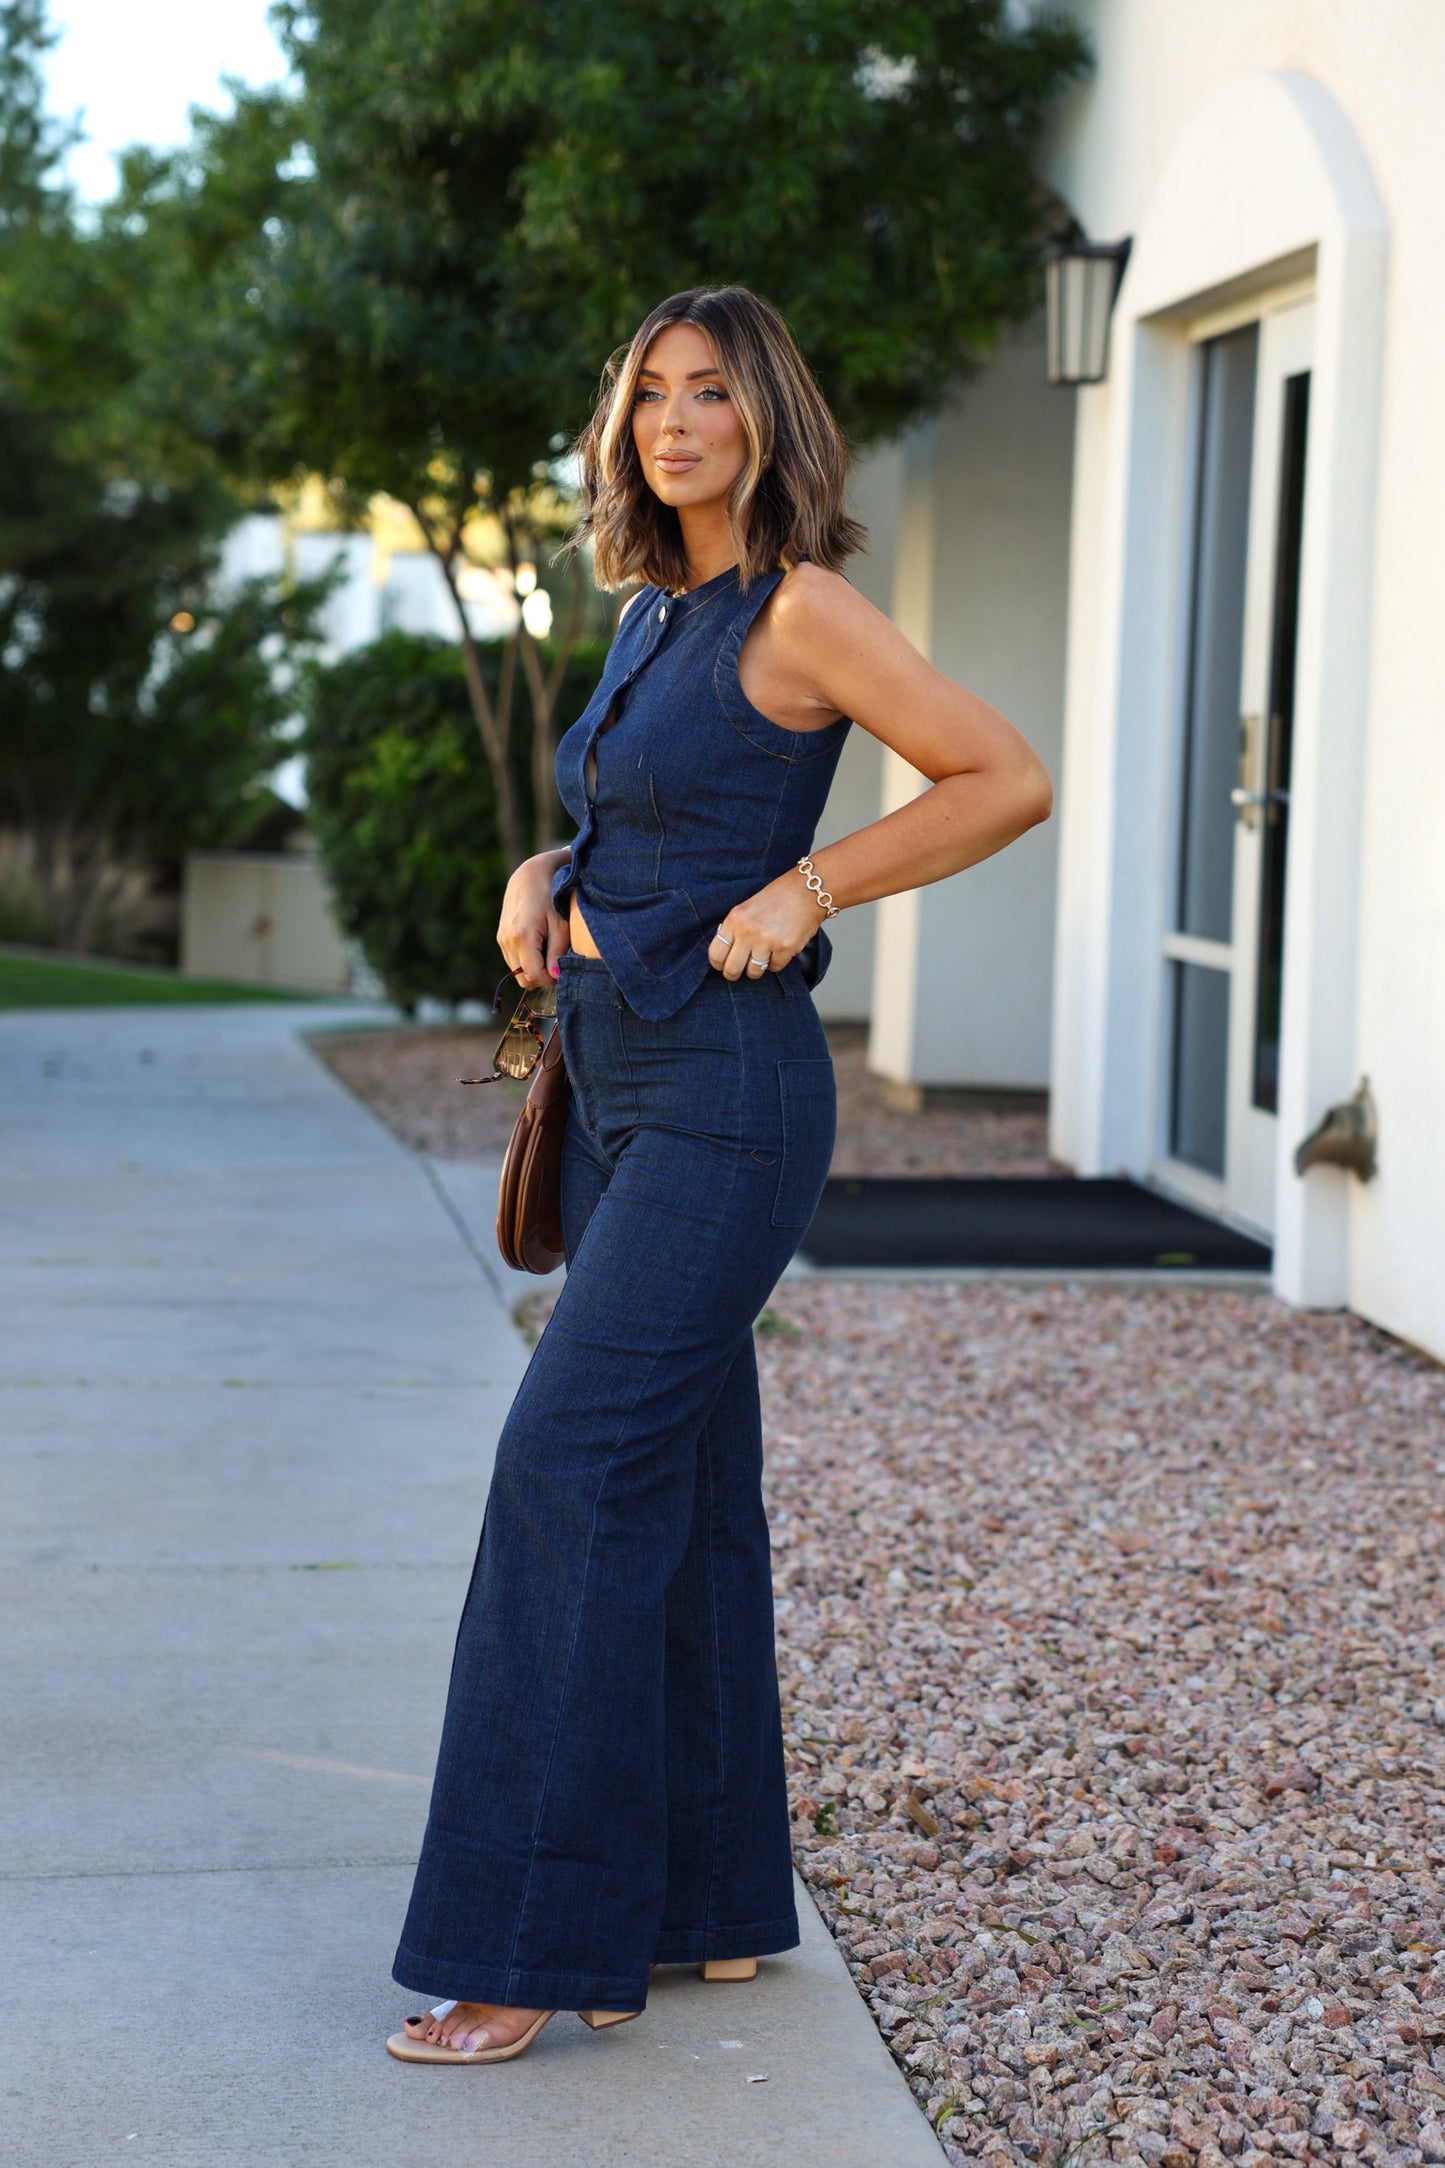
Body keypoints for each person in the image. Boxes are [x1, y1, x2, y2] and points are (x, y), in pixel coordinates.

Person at [387, 285, 1051, 2064]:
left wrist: (812, 886)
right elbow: (652, 817)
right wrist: (546, 867)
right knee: (676, 1486)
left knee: (562, 1466)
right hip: (610, 1076)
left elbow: (1003, 777)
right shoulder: (651, 612)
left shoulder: (799, 608)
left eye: (708, 392)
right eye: (649, 394)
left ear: (766, 417)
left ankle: (526, 1945)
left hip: (724, 1097)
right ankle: (703, 1903)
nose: (672, 422)